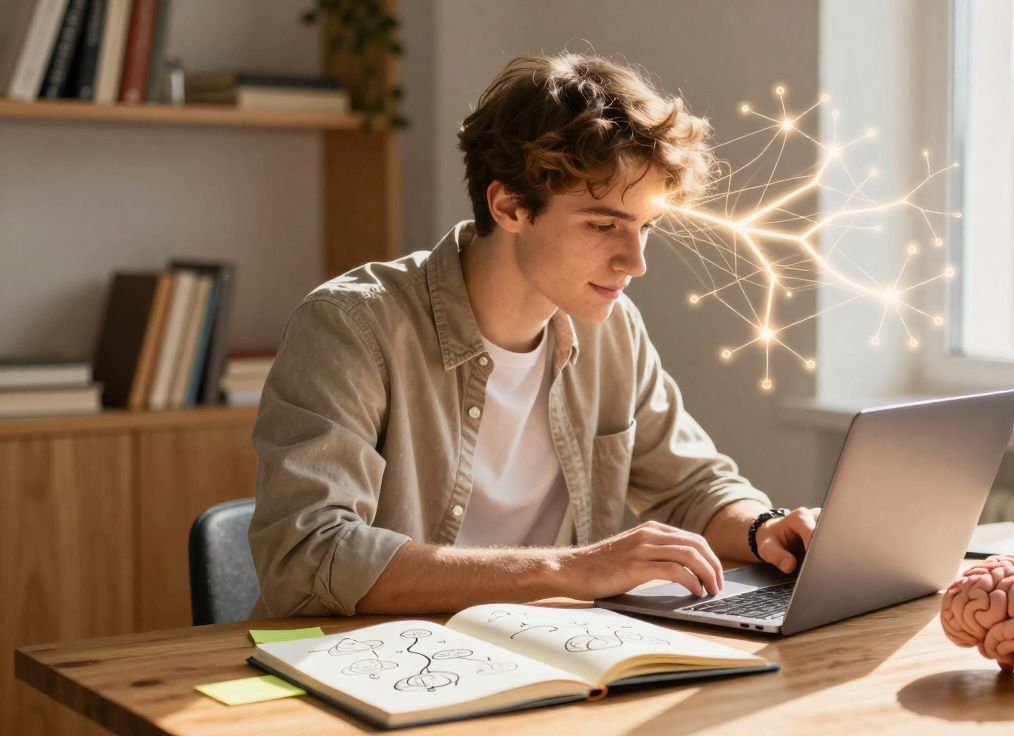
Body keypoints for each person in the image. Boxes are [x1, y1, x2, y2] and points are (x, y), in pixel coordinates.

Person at [247, 52, 820, 618]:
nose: (635, 261)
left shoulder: (613, 330)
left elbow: (692, 486)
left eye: (646, 227)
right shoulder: (352, 327)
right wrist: (569, 570)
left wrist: (763, 528)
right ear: (510, 205)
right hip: (376, 665)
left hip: (546, 654)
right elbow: (309, 555)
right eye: (603, 225)